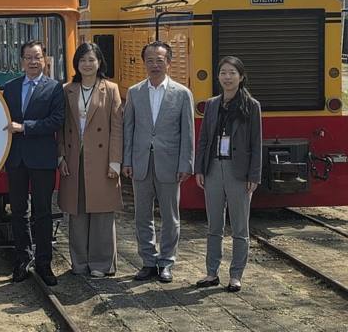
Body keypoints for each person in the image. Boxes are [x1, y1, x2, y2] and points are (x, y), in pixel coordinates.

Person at [123, 41, 194, 283]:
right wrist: (127, 160)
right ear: (144, 63)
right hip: (141, 162)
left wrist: (186, 163)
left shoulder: (182, 94)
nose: (155, 64)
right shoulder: (134, 92)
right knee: (142, 215)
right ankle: (148, 261)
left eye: (160, 60)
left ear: (169, 62)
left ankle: (167, 262)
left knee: (170, 215)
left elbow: (188, 132)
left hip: (170, 164)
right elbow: (128, 129)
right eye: (150, 60)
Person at [194, 56, 262, 292]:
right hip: (213, 168)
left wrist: (255, 175)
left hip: (239, 172)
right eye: (223, 72)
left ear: (241, 77)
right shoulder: (212, 104)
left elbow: (256, 142)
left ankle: (235, 275)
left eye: (232, 72)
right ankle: (211, 273)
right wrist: (200, 168)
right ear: (218, 76)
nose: (227, 77)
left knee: (240, 228)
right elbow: (203, 139)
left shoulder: (251, 106)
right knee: (214, 225)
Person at [58, 42, 123, 278]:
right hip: (75, 156)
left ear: (99, 63)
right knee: (77, 212)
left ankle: (102, 263)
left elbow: (117, 128)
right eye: (83, 60)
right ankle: (79, 262)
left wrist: (115, 161)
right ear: (77, 63)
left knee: (102, 212)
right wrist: (61, 156)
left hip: (102, 157)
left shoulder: (111, 89)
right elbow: (61, 127)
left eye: (92, 60)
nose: (87, 64)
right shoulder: (67, 89)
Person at [2, 40, 65, 286]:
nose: (32, 61)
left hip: (42, 158)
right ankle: (22, 259)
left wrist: (25, 127)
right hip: (16, 159)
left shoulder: (54, 88)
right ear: (21, 61)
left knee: (43, 212)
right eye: (28, 57)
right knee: (18, 212)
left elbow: (56, 120)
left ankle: (44, 262)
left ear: (44, 59)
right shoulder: (10, 87)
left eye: (37, 57)